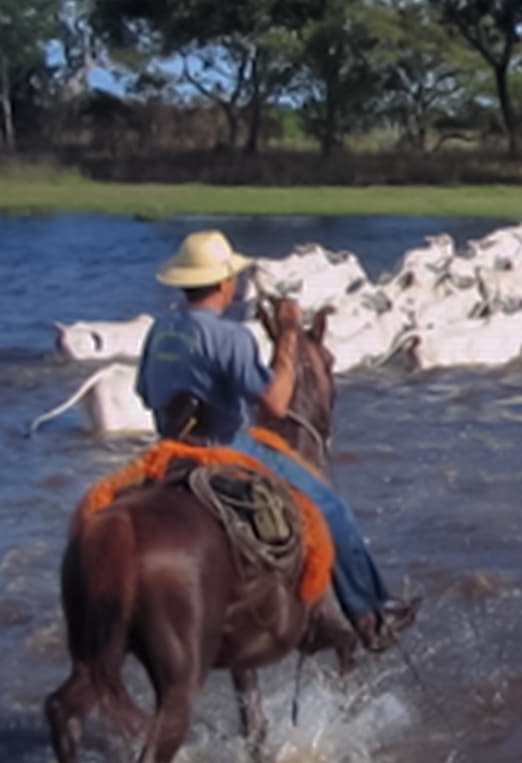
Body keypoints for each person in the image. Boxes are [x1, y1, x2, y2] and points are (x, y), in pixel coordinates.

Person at [135, 229, 418, 652]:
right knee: (329, 508)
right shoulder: (230, 336)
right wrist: (287, 334)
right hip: (223, 450)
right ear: (225, 283)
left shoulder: (159, 330)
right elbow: (278, 404)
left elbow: (143, 393)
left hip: (166, 450)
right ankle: (370, 613)